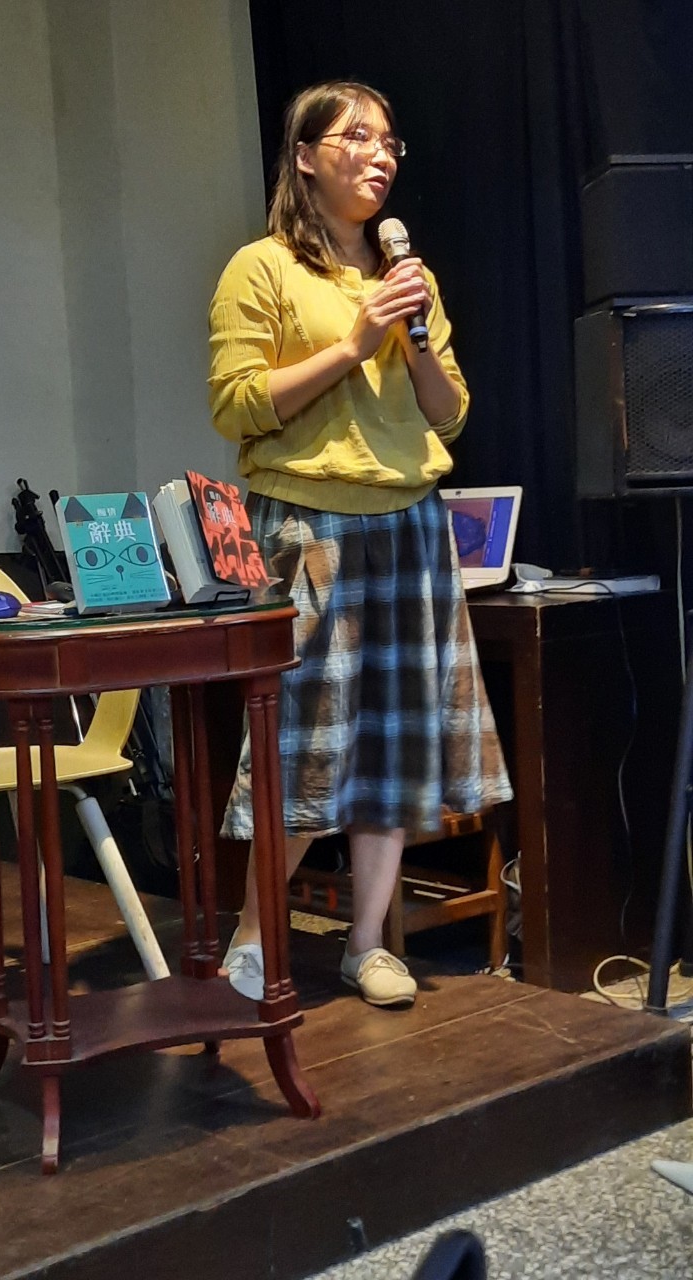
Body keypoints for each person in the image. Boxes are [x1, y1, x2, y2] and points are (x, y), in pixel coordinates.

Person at [207, 80, 512, 1008]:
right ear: (305, 156)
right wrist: (354, 340)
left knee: (394, 741)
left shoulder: (408, 277)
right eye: (357, 138)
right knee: (305, 741)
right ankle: (255, 935)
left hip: (410, 522)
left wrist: (409, 336)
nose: (380, 156)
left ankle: (369, 943)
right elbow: (237, 404)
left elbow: (448, 413)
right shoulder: (261, 268)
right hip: (311, 524)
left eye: (389, 143)